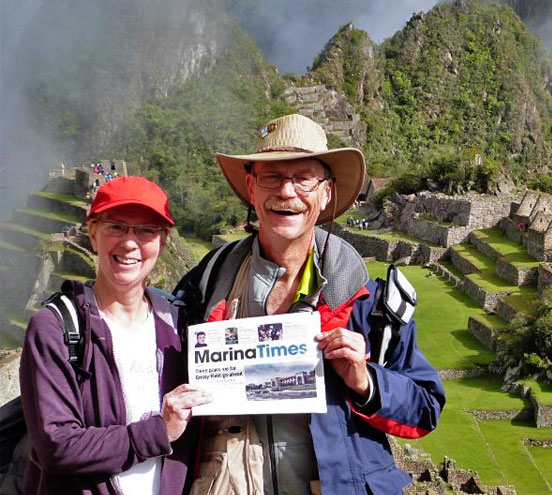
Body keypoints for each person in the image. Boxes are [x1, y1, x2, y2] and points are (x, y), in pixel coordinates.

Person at [176, 114, 444, 495]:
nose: (287, 192)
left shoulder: (369, 301)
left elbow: (424, 409)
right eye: (271, 177)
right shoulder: (206, 287)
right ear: (251, 188)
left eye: (303, 178)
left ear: (326, 193)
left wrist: (365, 381)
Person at [19, 176, 211, 495]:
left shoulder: (177, 324)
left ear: (162, 242)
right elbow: (58, 445)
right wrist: (159, 431)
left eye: (146, 230)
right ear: (93, 234)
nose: (130, 243)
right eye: (116, 227)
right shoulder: (56, 328)